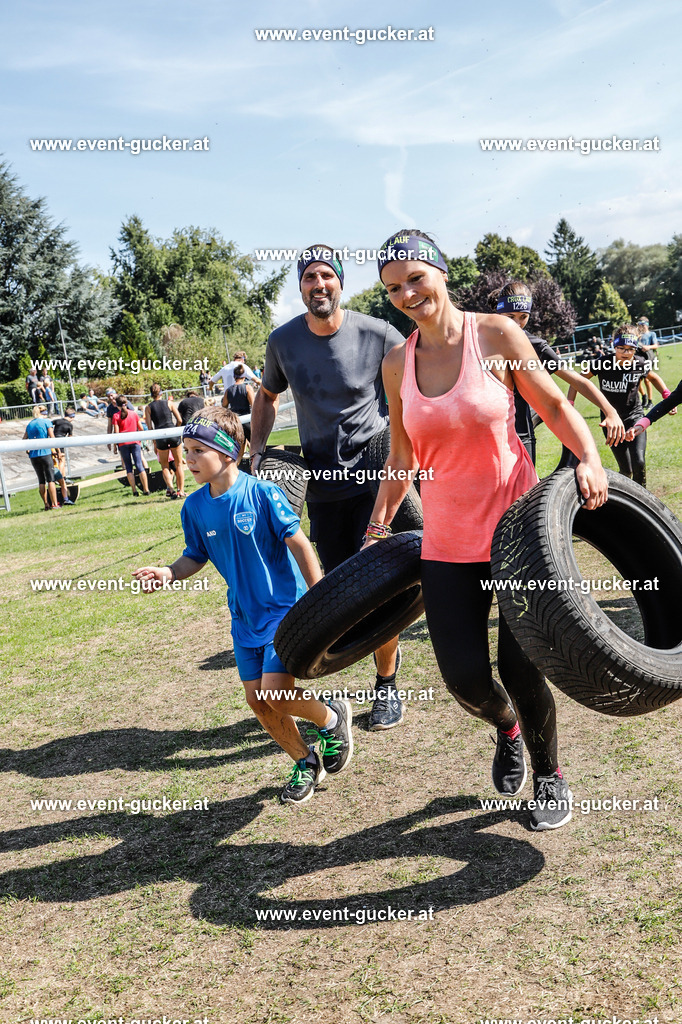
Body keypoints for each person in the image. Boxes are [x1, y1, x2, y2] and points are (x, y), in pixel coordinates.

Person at [367, 229, 608, 831]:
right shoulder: (397, 363)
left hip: (517, 531)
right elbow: (402, 454)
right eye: (393, 288)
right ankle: (508, 729)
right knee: (465, 676)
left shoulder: (496, 335)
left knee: (523, 665)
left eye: (415, 278)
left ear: (442, 273)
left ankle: (550, 776)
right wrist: (379, 521)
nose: (407, 294)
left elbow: (552, 405)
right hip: (447, 543)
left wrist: (588, 456)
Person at [132, 406, 354, 804]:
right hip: (244, 619)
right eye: (186, 450)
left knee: (277, 694)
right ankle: (306, 761)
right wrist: (169, 573)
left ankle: (332, 717)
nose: (189, 459)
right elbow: (194, 556)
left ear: (228, 452)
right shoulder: (194, 507)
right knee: (258, 702)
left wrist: (321, 600)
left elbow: (301, 545)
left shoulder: (262, 492)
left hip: (286, 613)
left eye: (198, 450)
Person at [250, 243, 408, 730]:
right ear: (300, 287)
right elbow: (267, 396)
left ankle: (386, 687)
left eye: (326, 276)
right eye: (309, 278)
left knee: (379, 590)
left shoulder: (378, 332)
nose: (319, 285)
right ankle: (339, 694)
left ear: (340, 282)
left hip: (373, 482)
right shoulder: (282, 342)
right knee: (341, 590)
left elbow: (412, 391)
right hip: (322, 486)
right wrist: (257, 452)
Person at [489, 281, 625, 462]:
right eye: (510, 316)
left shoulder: (536, 346)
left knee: (525, 490)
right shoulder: (480, 339)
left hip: (520, 431)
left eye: (523, 316)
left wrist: (610, 411)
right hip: (487, 431)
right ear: (498, 312)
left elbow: (577, 379)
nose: (517, 323)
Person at [568, 324, 672, 488]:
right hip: (611, 422)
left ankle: (642, 499)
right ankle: (625, 499)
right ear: (614, 346)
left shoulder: (640, 363)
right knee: (626, 469)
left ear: (635, 348)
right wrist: (570, 403)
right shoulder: (603, 363)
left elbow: (654, 378)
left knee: (639, 461)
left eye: (631, 349)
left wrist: (667, 395)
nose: (626, 352)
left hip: (635, 417)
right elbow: (577, 381)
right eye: (621, 348)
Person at [145, 384, 185, 498]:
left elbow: (149, 427)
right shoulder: (169, 403)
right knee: (178, 464)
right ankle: (181, 491)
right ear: (161, 393)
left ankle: (171, 488)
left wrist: (154, 441)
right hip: (172, 433)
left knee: (165, 466)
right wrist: (176, 430)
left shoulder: (148, 408)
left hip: (159, 435)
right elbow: (180, 420)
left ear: (151, 395)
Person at [22, 405, 59, 510]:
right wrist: (57, 451)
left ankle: (46, 504)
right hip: (45, 453)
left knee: (41, 480)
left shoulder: (30, 424)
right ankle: (55, 504)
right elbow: (52, 438)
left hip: (33, 456)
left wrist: (28, 449)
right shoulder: (46, 422)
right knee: (50, 479)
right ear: (43, 413)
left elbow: (24, 439)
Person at [112, 396, 151, 496]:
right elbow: (141, 428)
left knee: (129, 467)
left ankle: (134, 490)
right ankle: (146, 489)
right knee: (139, 465)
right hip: (135, 442)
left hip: (123, 444)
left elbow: (116, 432)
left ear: (117, 405)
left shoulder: (116, 416)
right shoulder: (134, 414)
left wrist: (115, 446)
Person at [224, 364, 254, 441]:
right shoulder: (247, 388)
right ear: (244, 376)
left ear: (234, 377)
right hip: (247, 421)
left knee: (239, 448)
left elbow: (224, 406)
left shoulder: (228, 390)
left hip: (235, 422)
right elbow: (254, 405)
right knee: (256, 446)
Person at [636, 317, 659, 409]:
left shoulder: (651, 334)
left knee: (647, 379)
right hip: (638, 358)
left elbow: (656, 345)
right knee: (637, 380)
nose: (642, 326)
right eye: (640, 325)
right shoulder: (637, 335)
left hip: (649, 358)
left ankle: (650, 401)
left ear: (647, 324)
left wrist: (648, 347)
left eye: (643, 324)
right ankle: (644, 396)